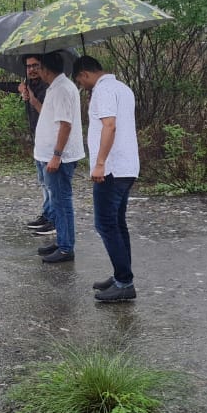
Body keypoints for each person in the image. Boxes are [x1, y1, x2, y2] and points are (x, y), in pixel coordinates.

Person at [72, 54, 139, 301]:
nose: (82, 86)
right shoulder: (122, 88)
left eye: (80, 82)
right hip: (127, 166)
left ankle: (124, 283)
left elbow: (109, 126)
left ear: (84, 74)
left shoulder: (103, 91)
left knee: (105, 224)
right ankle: (122, 275)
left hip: (112, 168)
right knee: (117, 223)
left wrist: (99, 164)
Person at [0, 58, 50, 230]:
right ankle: (47, 213)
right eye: (29, 67)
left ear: (43, 67)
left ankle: (53, 219)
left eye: (36, 66)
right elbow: (15, 86)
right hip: (38, 137)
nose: (32, 70)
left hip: (49, 139)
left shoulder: (48, 86)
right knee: (42, 180)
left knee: (50, 183)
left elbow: (46, 110)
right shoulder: (30, 83)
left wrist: (29, 95)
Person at [31, 51, 84, 264]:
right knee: (57, 199)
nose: (36, 71)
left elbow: (65, 124)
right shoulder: (56, 87)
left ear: (46, 69)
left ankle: (66, 248)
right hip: (50, 154)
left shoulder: (62, 89)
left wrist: (56, 155)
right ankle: (62, 240)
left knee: (62, 201)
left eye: (38, 67)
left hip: (58, 157)